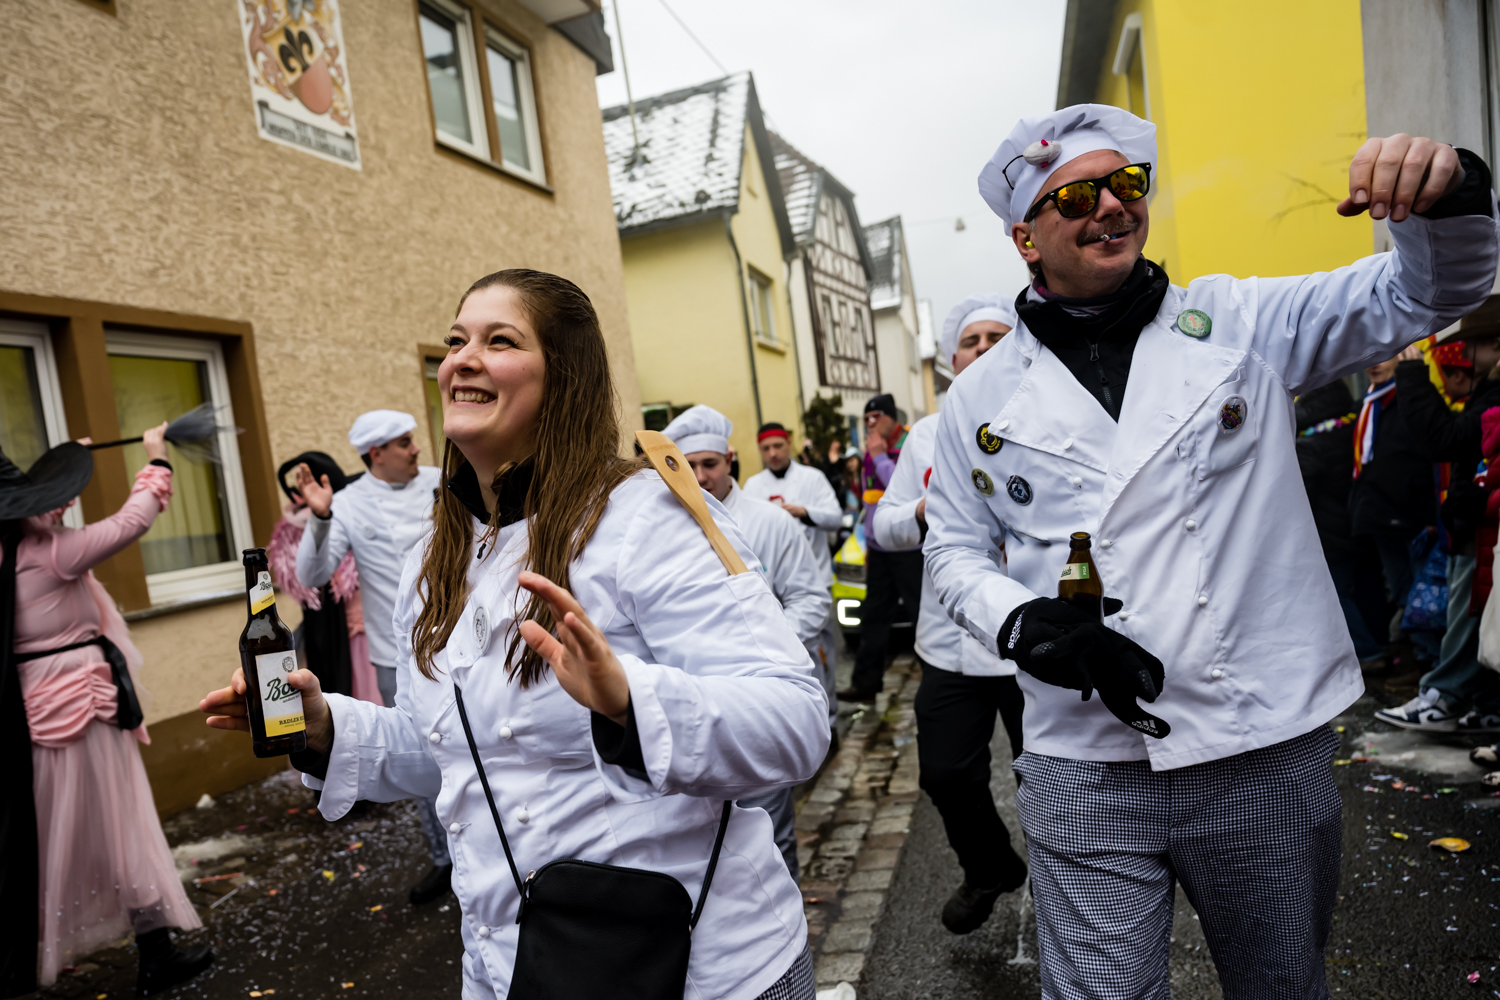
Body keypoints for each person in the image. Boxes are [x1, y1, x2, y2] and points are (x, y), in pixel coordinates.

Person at [927, 103, 1496, 998]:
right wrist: (1020, 620)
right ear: (1025, 238)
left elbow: (1424, 294)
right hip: (1083, 762)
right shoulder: (977, 399)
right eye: (1077, 195)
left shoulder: (1240, 325)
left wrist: (1451, 193)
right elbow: (953, 551)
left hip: (1258, 744)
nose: (1110, 206)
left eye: (1126, 184)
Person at [203, 269, 827, 1000]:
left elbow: (795, 721)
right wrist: (323, 728)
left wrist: (631, 702)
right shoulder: (430, 562)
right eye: (456, 340)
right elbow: (450, 752)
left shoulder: (646, 515)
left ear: (564, 379)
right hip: (518, 969)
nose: (463, 358)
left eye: (499, 340)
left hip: (703, 966)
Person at [1, 428, 211, 997]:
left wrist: (67, 469)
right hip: (82, 706)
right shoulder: (51, 553)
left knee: (53, 834)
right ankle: (155, 955)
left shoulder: (10, 554)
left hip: (35, 709)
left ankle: (27, 953)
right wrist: (157, 460)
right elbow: (132, 521)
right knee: (123, 825)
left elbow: (50, 511)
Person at [872, 293, 1027, 935]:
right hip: (950, 641)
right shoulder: (927, 436)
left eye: (998, 337)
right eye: (973, 340)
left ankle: (1078, 885)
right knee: (943, 770)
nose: (985, 348)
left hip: (1031, 641)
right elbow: (882, 525)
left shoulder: (1046, 419)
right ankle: (989, 865)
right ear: (952, 360)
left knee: (1056, 780)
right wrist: (921, 511)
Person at [662, 404, 831, 878]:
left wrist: (761, 657)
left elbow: (810, 599)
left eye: (709, 464)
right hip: (689, 711)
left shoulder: (771, 523)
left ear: (729, 460)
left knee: (769, 838)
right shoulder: (663, 530)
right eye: (687, 465)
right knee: (697, 848)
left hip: (756, 704)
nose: (699, 475)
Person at [293, 411, 452, 904]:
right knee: (424, 751)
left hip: (464, 638)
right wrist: (319, 519)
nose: (416, 449)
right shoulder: (347, 504)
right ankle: (445, 859)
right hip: (397, 654)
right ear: (375, 454)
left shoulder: (443, 481)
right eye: (405, 443)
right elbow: (313, 573)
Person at [1375, 323, 1500, 733]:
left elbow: (1446, 438)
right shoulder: (1487, 392)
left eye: (1475, 340)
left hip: (1481, 527)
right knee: (1472, 618)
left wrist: (1412, 375)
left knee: (1469, 617)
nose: (1462, 350)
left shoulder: (1493, 395)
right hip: (1471, 527)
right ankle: (1482, 706)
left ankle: (1444, 697)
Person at [1349, 354, 1445, 669]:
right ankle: (1419, 661)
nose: (1374, 364)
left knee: (1425, 594)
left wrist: (1431, 518)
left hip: (1412, 517)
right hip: (1380, 517)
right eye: (1371, 358)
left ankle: (1432, 661)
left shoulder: (1406, 400)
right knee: (1405, 593)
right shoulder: (1368, 404)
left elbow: (1423, 461)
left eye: (1385, 357)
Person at [743, 422, 843, 722]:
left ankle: (830, 714)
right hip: (771, 587)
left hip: (814, 580)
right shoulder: (753, 486)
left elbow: (836, 517)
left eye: (778, 446)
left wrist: (803, 512)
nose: (773, 453)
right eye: (766, 448)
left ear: (789, 445)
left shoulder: (812, 478)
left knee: (820, 652)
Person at [268, 452, 380, 705]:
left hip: (369, 638)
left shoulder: (353, 518)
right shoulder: (292, 533)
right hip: (325, 634)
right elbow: (310, 583)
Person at [1294, 380, 1389, 668]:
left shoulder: (1310, 443)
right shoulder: (1356, 429)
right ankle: (1380, 644)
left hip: (1331, 536)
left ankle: (1366, 650)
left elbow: (1301, 496)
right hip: (1363, 526)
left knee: (1338, 595)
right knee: (1369, 588)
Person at [839, 394, 921, 702]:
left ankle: (938, 676)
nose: (871, 424)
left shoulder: (908, 444)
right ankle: (866, 684)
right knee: (873, 618)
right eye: (867, 419)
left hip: (909, 545)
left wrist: (881, 457)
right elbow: (869, 498)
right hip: (881, 547)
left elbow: (905, 488)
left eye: (876, 417)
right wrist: (869, 539)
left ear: (892, 417)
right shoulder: (873, 451)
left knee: (921, 615)